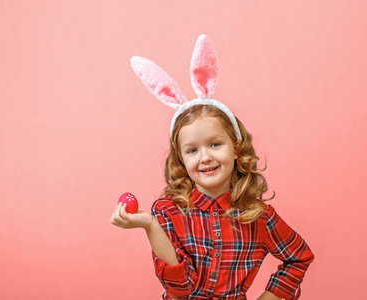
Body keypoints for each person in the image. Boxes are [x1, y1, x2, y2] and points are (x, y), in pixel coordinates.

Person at [111, 35, 314, 300]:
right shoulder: (168, 211)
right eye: (192, 150)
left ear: (236, 147)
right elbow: (179, 288)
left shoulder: (259, 216)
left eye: (215, 144)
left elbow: (299, 257)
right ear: (181, 160)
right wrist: (150, 225)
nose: (205, 157)